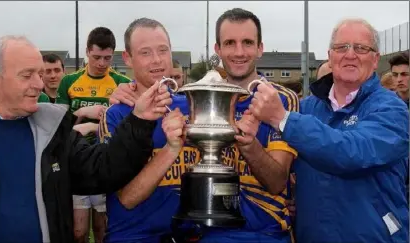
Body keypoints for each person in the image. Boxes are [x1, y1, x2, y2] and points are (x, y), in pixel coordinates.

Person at [0, 35, 179, 243]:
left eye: (40, 74)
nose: (39, 84)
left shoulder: (51, 129)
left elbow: (102, 170)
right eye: (27, 75)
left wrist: (139, 120)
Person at [109, 9, 299, 243]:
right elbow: (126, 197)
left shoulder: (279, 100)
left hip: (259, 234)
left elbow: (278, 181)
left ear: (260, 48)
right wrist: (126, 93)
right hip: (188, 234)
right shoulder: (192, 103)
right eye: (230, 43)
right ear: (217, 50)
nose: (239, 52)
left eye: (247, 42)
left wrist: (250, 146)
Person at [248, 19, 409, 243]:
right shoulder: (304, 109)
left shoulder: (392, 109)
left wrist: (281, 118)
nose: (350, 54)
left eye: (361, 48)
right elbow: (279, 170)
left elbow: (351, 152)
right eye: (341, 47)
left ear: (375, 60)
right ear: (330, 56)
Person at [99, 17, 200, 243]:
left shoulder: (191, 106)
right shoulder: (116, 115)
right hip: (134, 236)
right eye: (145, 53)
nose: (157, 60)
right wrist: (171, 149)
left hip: (190, 235)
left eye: (163, 50)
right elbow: (127, 198)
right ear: (128, 58)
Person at [56, 26, 131, 243]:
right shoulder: (69, 82)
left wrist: (96, 126)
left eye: (107, 58)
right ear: (87, 51)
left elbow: (128, 128)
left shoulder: (122, 83)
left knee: (102, 227)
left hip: (107, 159)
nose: (101, 63)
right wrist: (82, 114)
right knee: (79, 232)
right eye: (97, 57)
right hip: (77, 161)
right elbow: (59, 127)